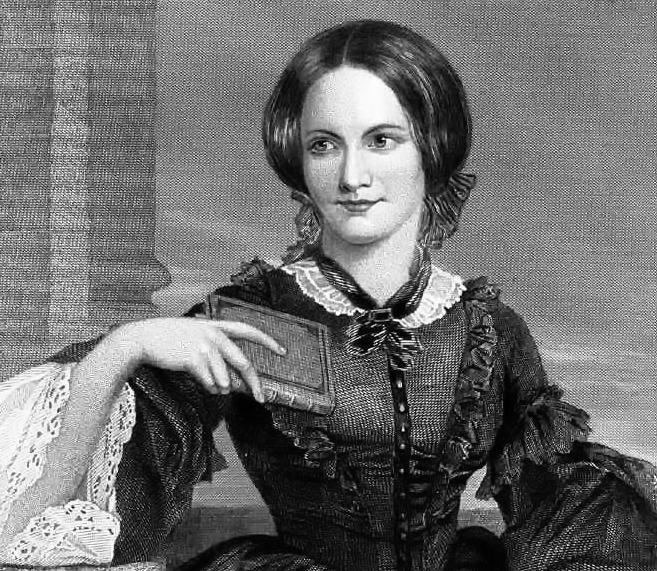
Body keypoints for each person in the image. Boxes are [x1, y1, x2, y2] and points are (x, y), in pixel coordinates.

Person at [1, 19, 656, 571]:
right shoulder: (253, 315)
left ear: (430, 151)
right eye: (324, 145)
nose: (351, 175)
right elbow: (34, 523)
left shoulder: (489, 330)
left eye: (381, 140)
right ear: (299, 160)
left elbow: (566, 510)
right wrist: (124, 347)